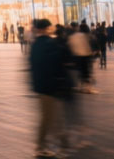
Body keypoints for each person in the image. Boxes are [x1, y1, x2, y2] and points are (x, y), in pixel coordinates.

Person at [29, 19, 72, 157]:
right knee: (48, 117)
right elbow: (57, 63)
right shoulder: (49, 43)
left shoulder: (36, 44)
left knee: (52, 115)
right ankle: (41, 146)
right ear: (45, 28)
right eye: (49, 27)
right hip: (49, 85)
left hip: (41, 85)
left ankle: (62, 140)